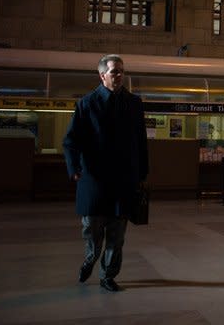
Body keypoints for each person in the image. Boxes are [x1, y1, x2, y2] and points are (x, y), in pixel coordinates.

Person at [63, 54, 149, 292]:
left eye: (122, 71)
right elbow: (70, 141)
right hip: (94, 180)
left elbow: (141, 142)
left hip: (123, 181)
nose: (119, 75)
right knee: (92, 229)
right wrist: (75, 170)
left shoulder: (134, 104)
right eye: (114, 72)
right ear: (102, 75)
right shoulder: (87, 104)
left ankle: (107, 276)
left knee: (116, 235)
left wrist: (142, 173)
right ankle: (90, 258)